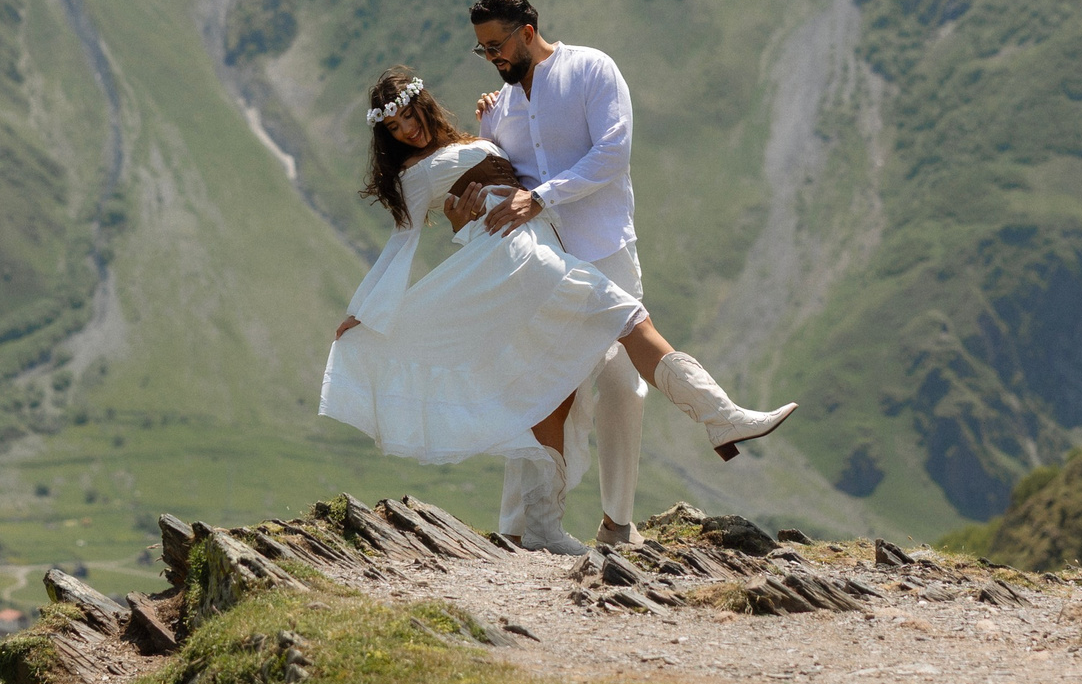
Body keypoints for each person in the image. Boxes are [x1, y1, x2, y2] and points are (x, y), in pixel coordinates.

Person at [320, 64, 793, 554]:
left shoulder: (463, 138)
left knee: (558, 389)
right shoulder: (412, 174)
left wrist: (492, 119)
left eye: (409, 117)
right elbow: (400, 245)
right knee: (627, 315)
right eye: (393, 129)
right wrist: (364, 312)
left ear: (425, 104)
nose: (406, 131)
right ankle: (721, 417)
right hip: (517, 257)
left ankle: (542, 527)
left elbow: (503, 173)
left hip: (536, 248)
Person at [455, 0, 790, 547]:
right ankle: (524, 527)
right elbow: (496, 177)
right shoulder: (501, 108)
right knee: (542, 387)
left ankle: (616, 525)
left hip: (605, 248)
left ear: (528, 31)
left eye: (496, 45)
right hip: (543, 267)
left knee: (620, 387)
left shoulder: (592, 68)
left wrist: (543, 197)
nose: (492, 57)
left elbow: (613, 153)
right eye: (482, 49)